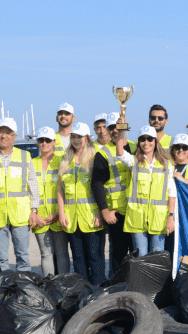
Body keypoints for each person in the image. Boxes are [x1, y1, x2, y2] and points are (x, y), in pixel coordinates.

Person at [0, 118, 42, 273]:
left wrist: (34, 210)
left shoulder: (25, 156)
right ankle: (3, 285)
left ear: (14, 137)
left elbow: (33, 186)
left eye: (8, 133)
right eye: (1, 132)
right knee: (0, 259)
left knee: (23, 256)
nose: (3, 136)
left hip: (20, 215)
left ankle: (23, 285)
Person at [116, 125, 177, 257]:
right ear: (139, 142)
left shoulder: (166, 164)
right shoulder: (134, 161)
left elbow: (172, 192)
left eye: (150, 139)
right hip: (137, 218)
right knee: (141, 256)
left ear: (155, 141)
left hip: (159, 218)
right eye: (142, 139)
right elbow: (120, 152)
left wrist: (170, 217)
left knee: (157, 256)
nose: (146, 142)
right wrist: (121, 131)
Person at [57, 122, 105, 285]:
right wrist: (61, 213)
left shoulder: (95, 157)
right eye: (73, 137)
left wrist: (100, 212)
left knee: (94, 256)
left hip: (91, 217)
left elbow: (101, 188)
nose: (76, 140)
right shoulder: (66, 159)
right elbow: (60, 189)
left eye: (80, 137)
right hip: (72, 218)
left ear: (87, 138)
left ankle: (98, 289)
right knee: (78, 257)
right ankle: (83, 290)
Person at [92, 112, 135, 274]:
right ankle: (118, 285)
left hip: (136, 211)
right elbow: (96, 184)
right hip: (116, 213)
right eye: (111, 128)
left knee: (137, 254)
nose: (115, 130)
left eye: (118, 127)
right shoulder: (103, 153)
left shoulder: (136, 148)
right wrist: (104, 211)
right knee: (118, 255)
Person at [31, 126, 70, 277]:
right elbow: (27, 192)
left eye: (48, 140)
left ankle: (63, 284)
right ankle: (49, 284)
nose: (44, 143)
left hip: (58, 215)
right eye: (41, 140)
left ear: (54, 142)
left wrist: (59, 213)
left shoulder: (62, 161)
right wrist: (35, 215)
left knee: (62, 253)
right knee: (45, 254)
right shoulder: (32, 163)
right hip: (40, 217)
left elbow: (67, 190)